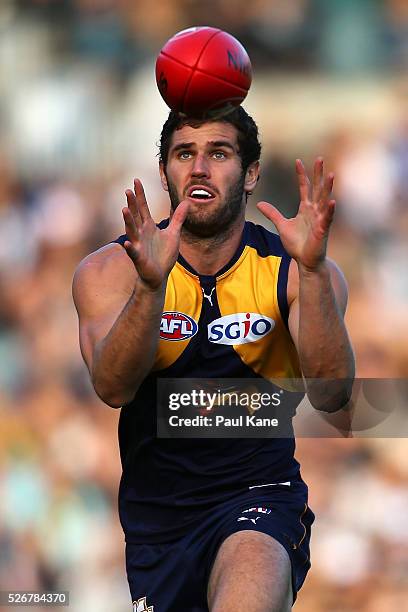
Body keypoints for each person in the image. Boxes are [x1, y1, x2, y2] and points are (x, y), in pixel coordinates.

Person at [72, 106, 355, 612]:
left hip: (260, 499)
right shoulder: (108, 272)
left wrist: (311, 273)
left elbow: (333, 397)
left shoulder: (296, 272)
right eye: (185, 154)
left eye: (218, 153)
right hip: (157, 527)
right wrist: (150, 287)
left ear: (250, 174)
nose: (200, 168)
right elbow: (113, 389)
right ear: (165, 172)